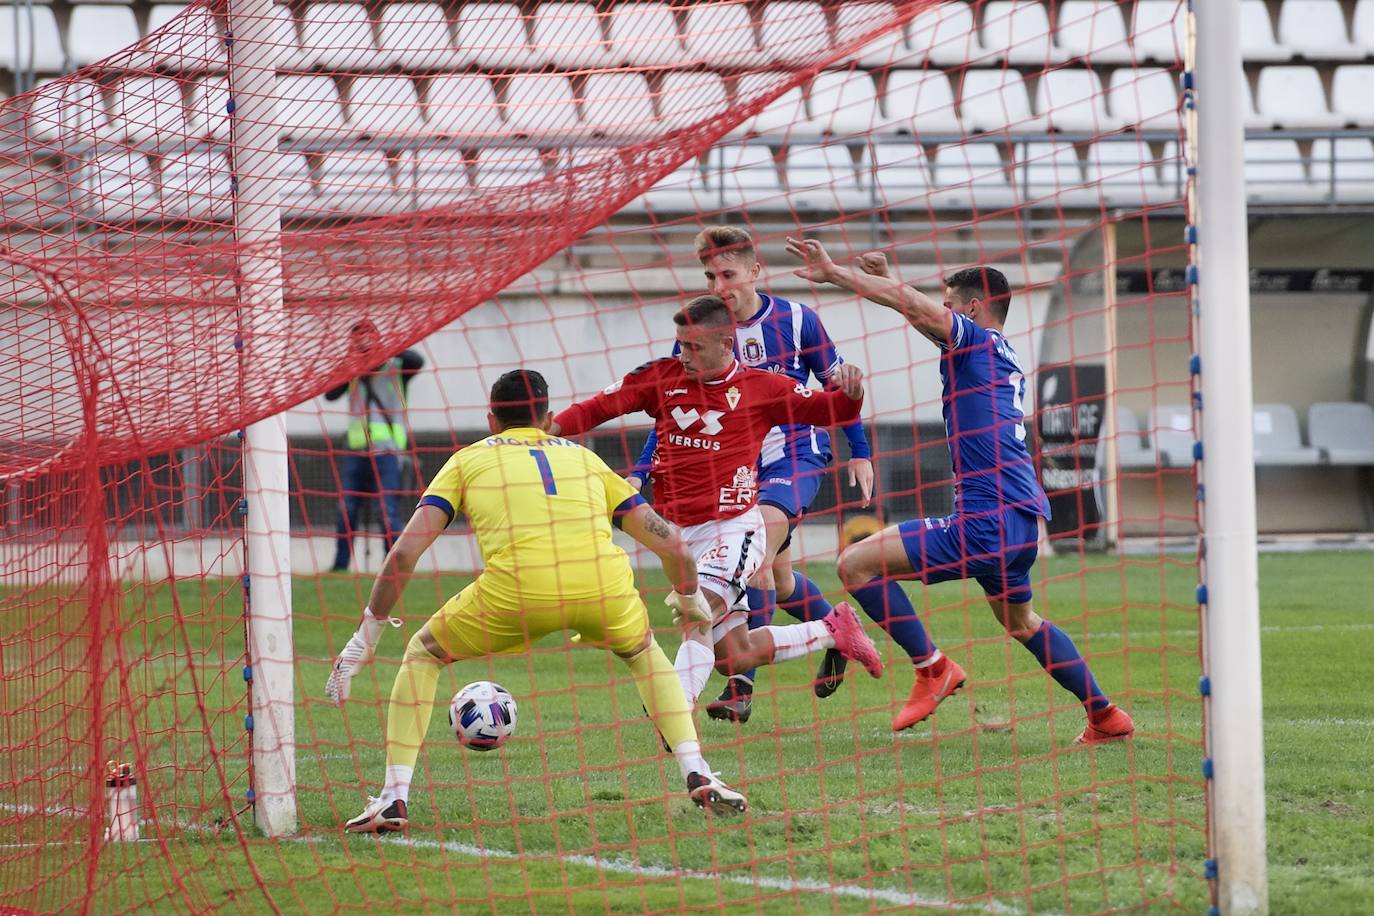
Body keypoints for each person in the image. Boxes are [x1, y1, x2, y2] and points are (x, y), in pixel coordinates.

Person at [327, 369, 748, 833]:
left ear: (491, 419)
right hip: (602, 590)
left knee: (423, 654)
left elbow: (405, 551)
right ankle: (696, 769)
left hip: (515, 594)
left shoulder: (467, 460)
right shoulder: (585, 459)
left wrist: (365, 636)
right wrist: (690, 599)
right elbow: (673, 545)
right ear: (548, 417)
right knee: (645, 653)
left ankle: (393, 797)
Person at [785, 237, 1135, 745]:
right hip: (1019, 522)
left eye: (948, 304)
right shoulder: (999, 353)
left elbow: (913, 306)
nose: (939, 312)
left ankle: (932, 669)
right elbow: (921, 312)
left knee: (853, 565)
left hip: (985, 520)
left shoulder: (974, 341)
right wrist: (887, 275)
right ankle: (1105, 716)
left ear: (972, 309)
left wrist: (835, 272)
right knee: (1023, 623)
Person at [551, 295, 883, 715]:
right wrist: (546, 430)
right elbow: (598, 407)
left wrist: (852, 394)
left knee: (697, 610)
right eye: (682, 345)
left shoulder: (761, 388)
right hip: (680, 535)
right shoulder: (661, 377)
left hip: (733, 527)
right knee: (734, 656)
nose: (685, 356)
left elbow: (829, 409)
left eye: (695, 347)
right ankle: (832, 630)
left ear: (727, 344)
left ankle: (675, 710)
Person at [628, 226, 876, 724]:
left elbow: (838, 387)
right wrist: (640, 471)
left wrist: (861, 451)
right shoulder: (701, 330)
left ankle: (738, 687)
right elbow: (675, 409)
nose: (719, 285)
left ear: (754, 270)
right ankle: (833, 628)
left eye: (728, 274)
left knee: (756, 556)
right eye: (709, 275)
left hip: (794, 456)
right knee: (780, 581)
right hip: (733, 465)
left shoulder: (798, 320)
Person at [326, 319, 425, 573]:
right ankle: (340, 566)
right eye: (358, 340)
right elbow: (330, 393)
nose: (363, 344)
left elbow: (417, 360)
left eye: (368, 338)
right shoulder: (352, 370)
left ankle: (392, 566)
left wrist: (387, 350)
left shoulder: (398, 366)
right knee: (346, 509)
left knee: (387, 510)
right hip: (356, 451)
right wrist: (352, 363)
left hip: (388, 451)